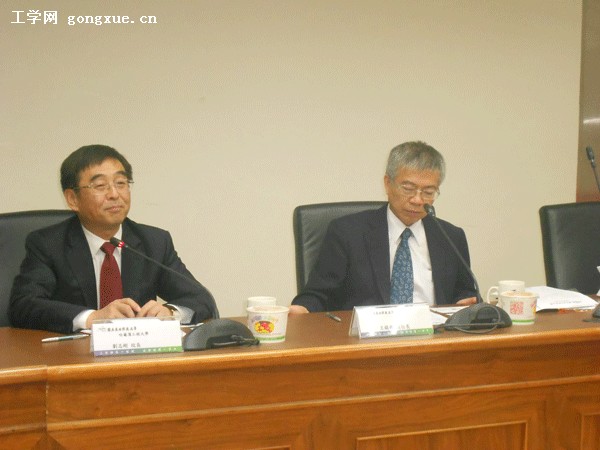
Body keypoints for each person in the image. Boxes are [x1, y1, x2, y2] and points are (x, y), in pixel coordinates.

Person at [9, 144, 218, 333]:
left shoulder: (154, 242)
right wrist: (92, 318)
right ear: (72, 199)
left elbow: (201, 298)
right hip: (73, 356)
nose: (114, 194)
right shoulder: (48, 244)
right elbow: (23, 305)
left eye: (121, 183)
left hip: (137, 355)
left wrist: (170, 312)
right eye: (100, 186)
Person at [290, 141, 477, 314]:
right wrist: (303, 308)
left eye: (428, 192)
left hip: (435, 335)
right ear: (388, 183)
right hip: (365, 336)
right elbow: (319, 294)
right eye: (408, 189)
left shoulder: (451, 237)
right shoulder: (348, 233)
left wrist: (466, 302)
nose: (417, 200)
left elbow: (465, 292)